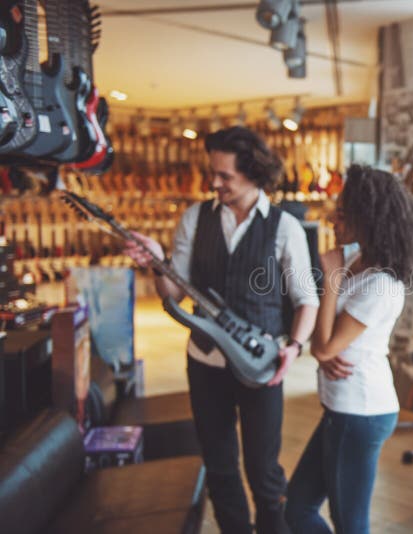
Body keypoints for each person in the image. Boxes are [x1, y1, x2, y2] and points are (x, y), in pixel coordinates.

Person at [124, 126, 319, 534]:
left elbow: (307, 299)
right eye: (212, 173)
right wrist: (156, 261)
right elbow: (173, 292)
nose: (214, 182)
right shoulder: (196, 217)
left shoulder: (285, 227)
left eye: (225, 176)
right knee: (219, 465)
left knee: (264, 471)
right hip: (204, 360)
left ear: (253, 173)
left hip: (261, 364)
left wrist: (294, 346)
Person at [284, 165, 413, 534]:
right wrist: (325, 349)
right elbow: (324, 341)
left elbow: (326, 346)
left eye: (343, 213)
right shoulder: (355, 263)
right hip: (340, 407)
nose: (332, 218)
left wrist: (330, 280)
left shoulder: (382, 283)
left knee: (349, 523)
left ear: (369, 218)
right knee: (297, 509)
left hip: (359, 412)